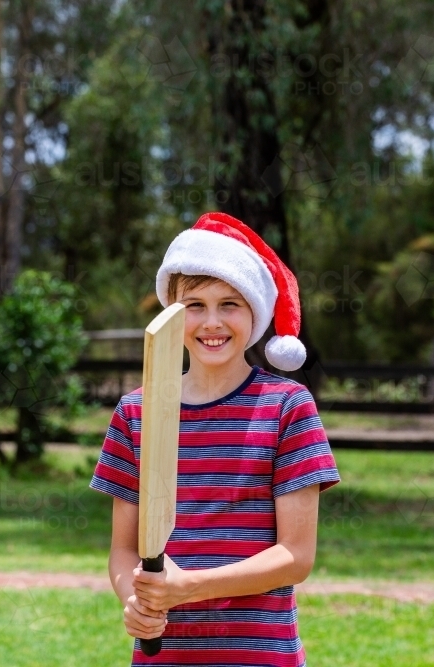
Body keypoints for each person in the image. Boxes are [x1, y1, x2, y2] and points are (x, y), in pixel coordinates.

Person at [89, 211, 341, 666]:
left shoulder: (288, 406)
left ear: (255, 314)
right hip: (163, 657)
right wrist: (137, 601)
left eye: (230, 304)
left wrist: (190, 586)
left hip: (260, 654)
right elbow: (125, 550)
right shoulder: (135, 412)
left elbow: (296, 556)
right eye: (195, 305)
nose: (212, 322)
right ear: (171, 312)